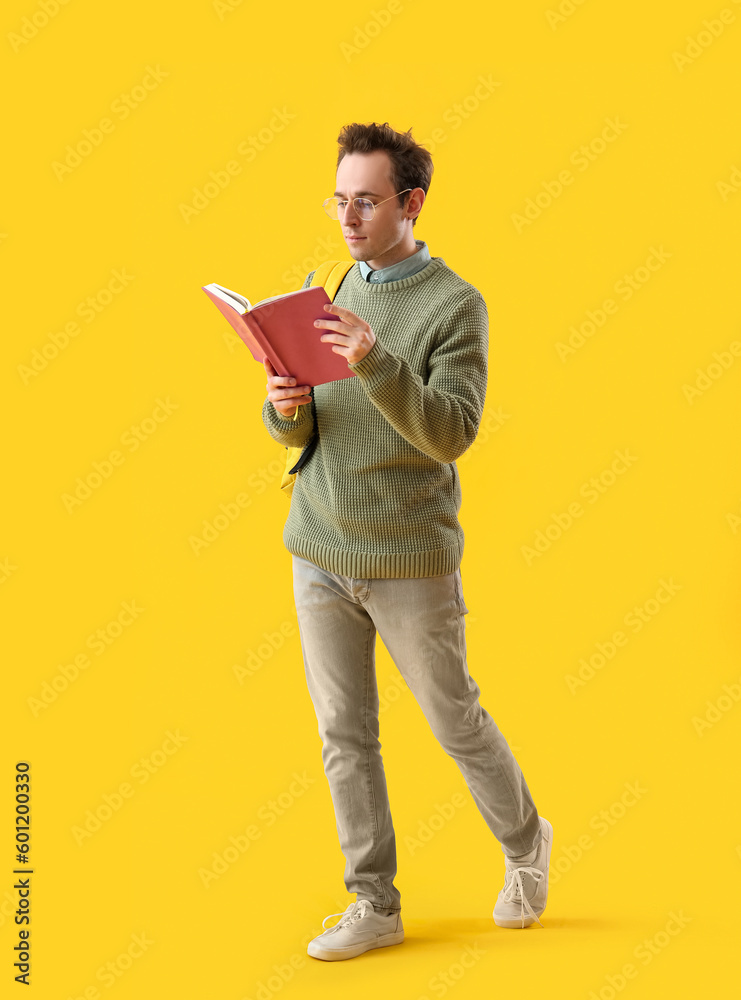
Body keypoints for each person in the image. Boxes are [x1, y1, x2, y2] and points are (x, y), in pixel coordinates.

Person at [261, 121, 552, 962]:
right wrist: (283, 407)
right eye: (338, 199)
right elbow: (306, 428)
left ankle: (525, 843)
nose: (346, 217)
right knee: (343, 735)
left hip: (406, 559)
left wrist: (376, 359)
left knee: (452, 718)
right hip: (318, 544)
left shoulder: (456, 305)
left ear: (410, 203)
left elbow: (451, 432)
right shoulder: (330, 282)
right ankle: (373, 904)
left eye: (365, 201)